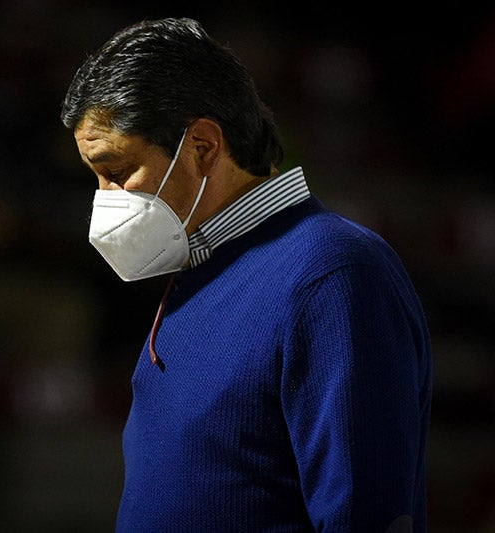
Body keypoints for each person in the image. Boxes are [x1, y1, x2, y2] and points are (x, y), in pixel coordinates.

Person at [60, 17, 432, 532]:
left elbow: (367, 518)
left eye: (119, 172)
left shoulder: (334, 274)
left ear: (203, 146)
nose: (105, 200)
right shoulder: (197, 272)